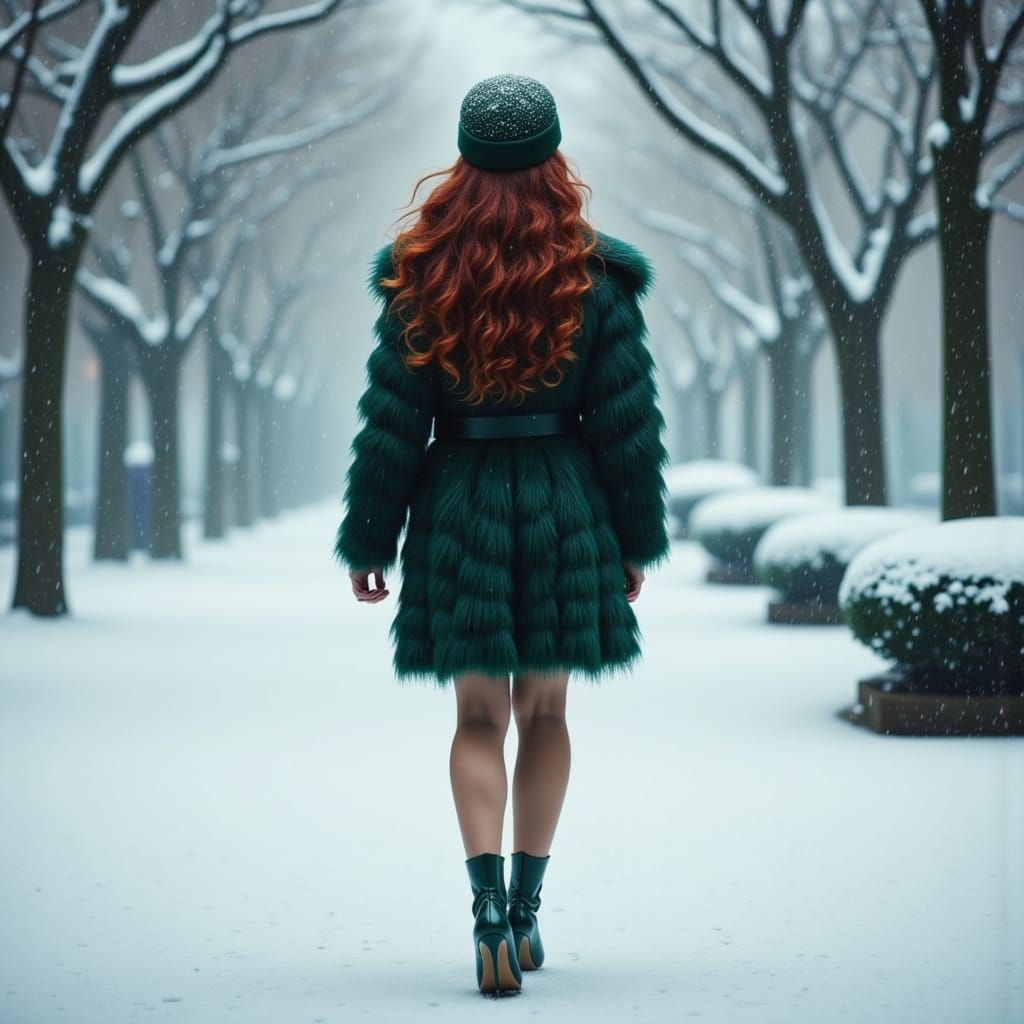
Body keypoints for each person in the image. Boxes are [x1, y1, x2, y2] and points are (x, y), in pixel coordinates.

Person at [333, 73, 671, 995]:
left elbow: (392, 425)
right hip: (566, 509)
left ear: (464, 158)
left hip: (459, 510)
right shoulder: (596, 279)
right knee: (547, 715)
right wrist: (634, 538)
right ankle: (524, 912)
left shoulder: (420, 275)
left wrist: (370, 541)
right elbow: (625, 427)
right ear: (554, 160)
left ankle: (482, 910)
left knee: (477, 717)